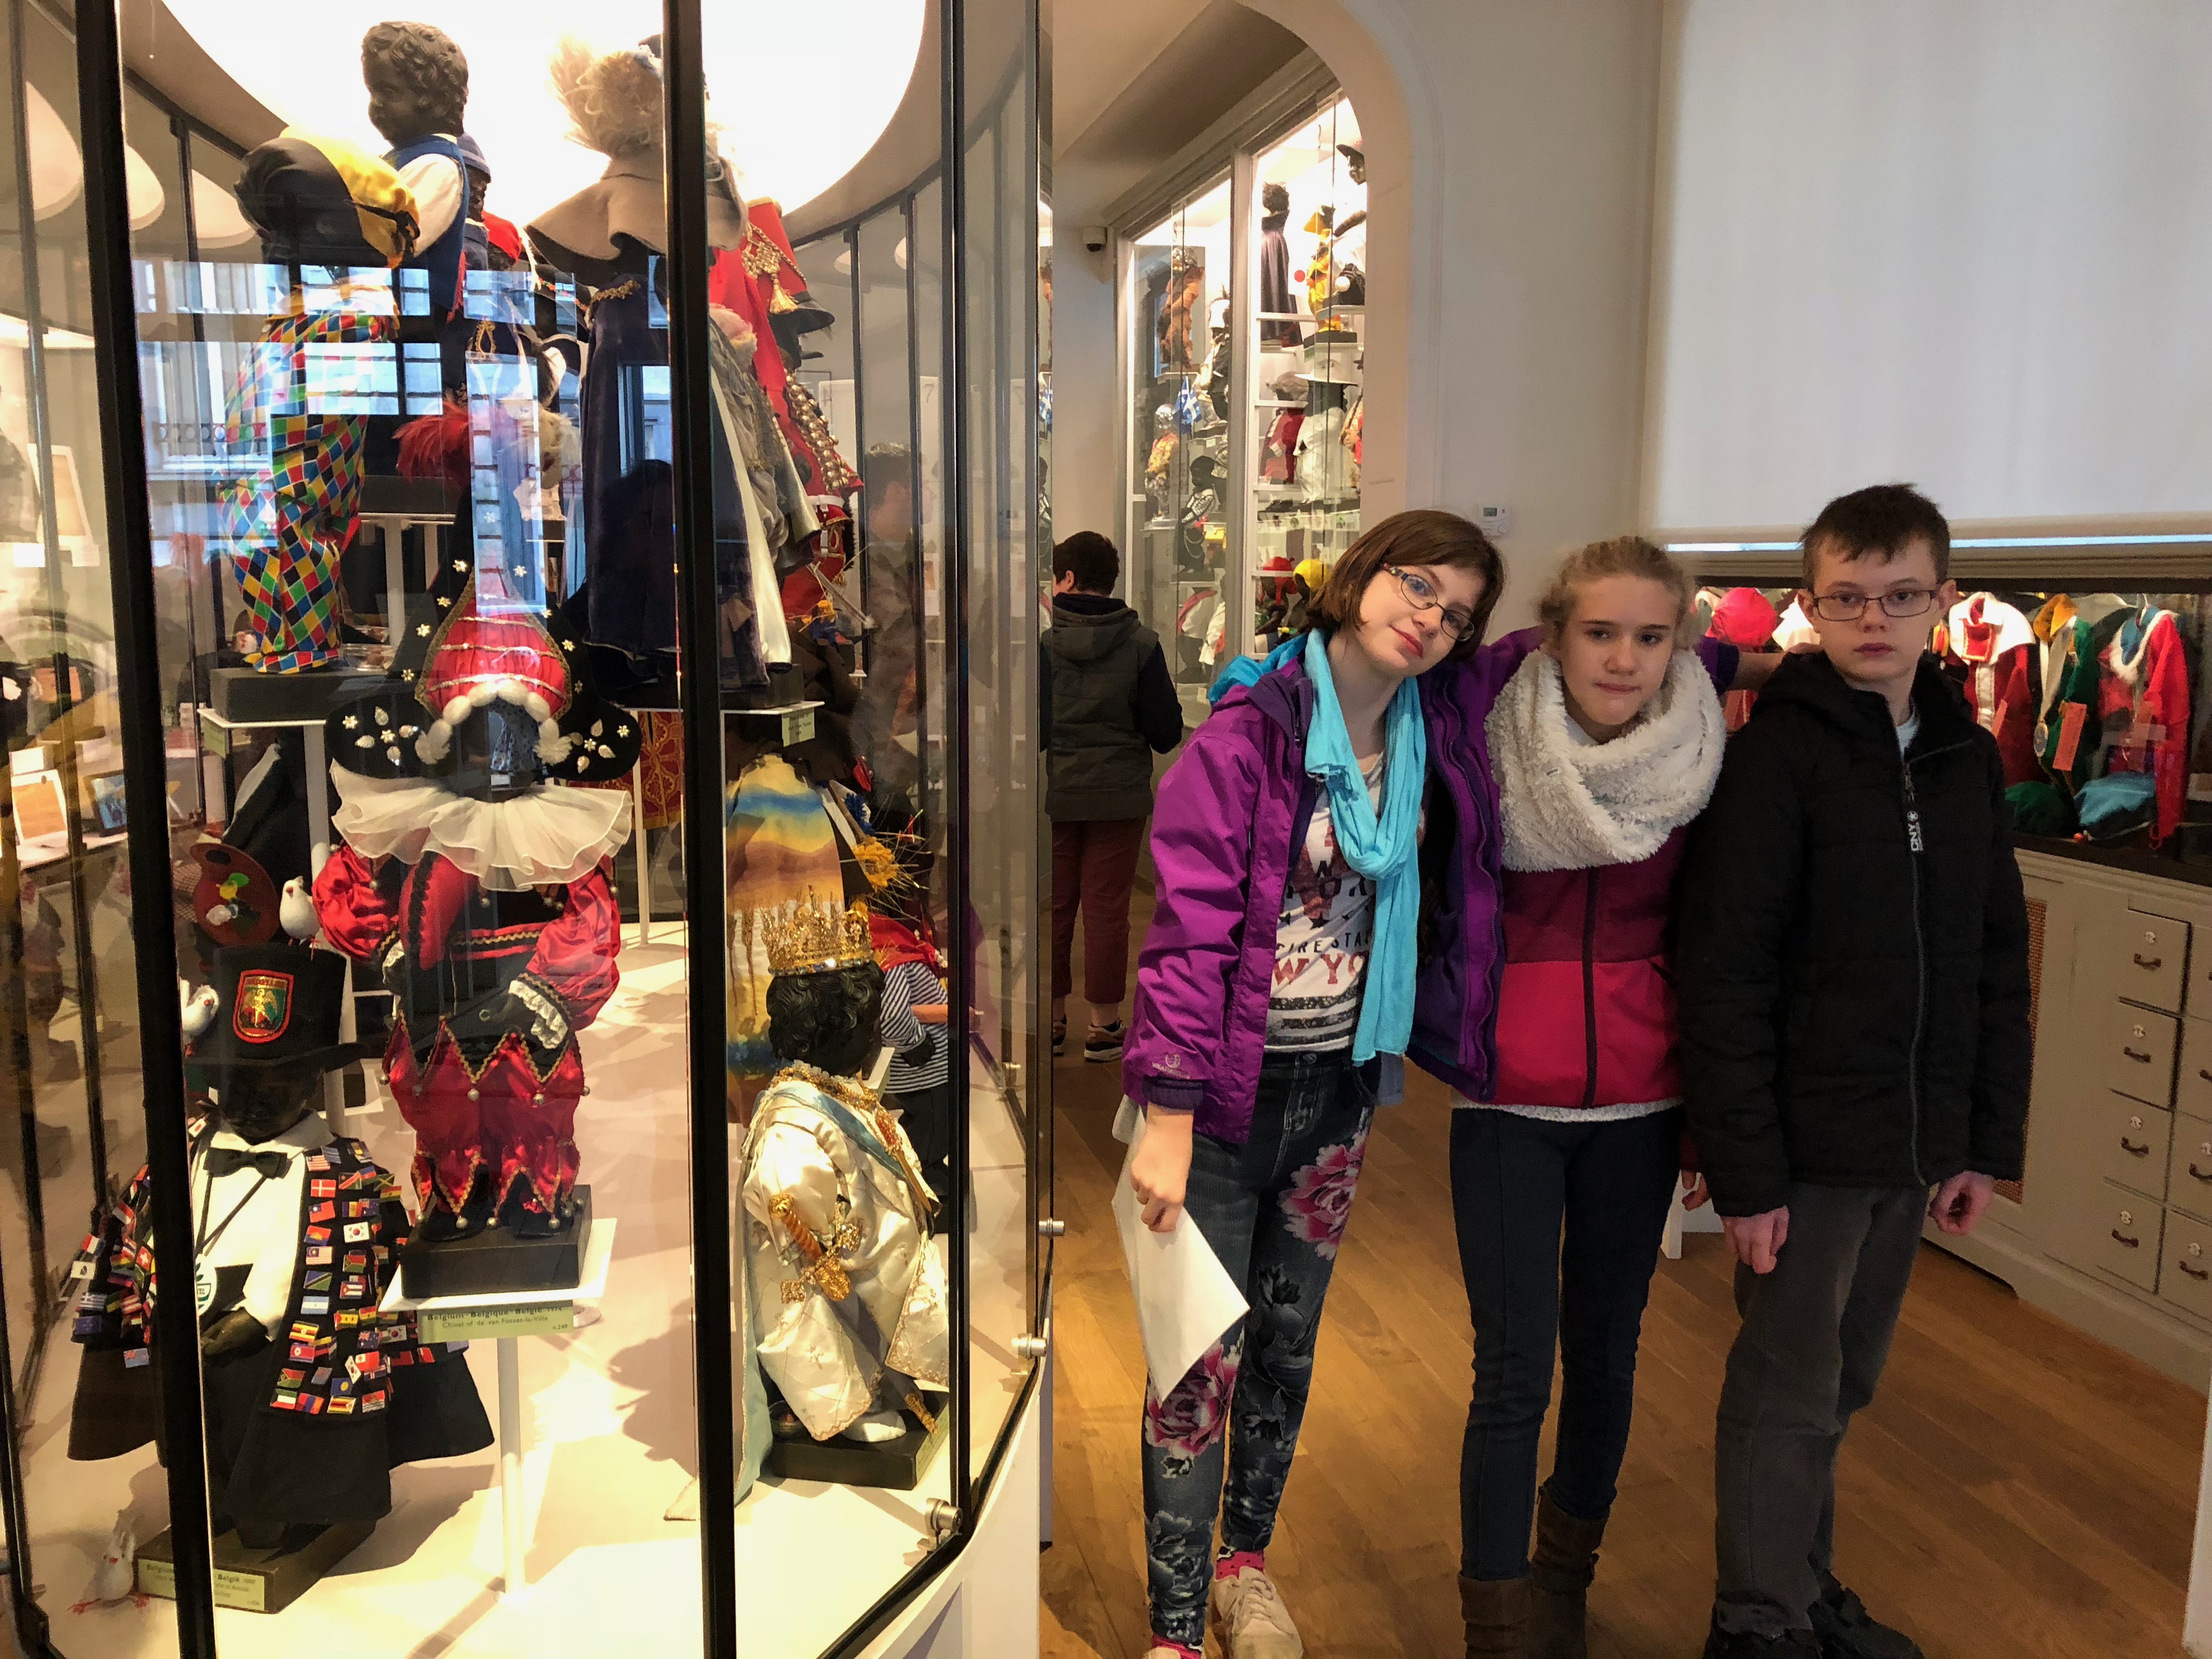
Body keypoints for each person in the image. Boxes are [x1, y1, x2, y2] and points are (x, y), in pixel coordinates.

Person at [1122, 509, 1504, 1659]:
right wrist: (1169, 1113)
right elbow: (1188, 932)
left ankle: (1245, 1567)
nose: (1429, 617)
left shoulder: (1434, 732)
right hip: (1220, 1095)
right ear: (1360, 573)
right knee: (1193, 1362)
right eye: (1416, 583)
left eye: (1456, 611)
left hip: (1339, 1084)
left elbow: (1577, 645)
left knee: (1286, 1349)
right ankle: (1177, 1626)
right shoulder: (1249, 735)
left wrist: (1742, 657)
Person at [1675, 483, 2031, 1659]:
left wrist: (1980, 1143)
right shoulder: (1774, 756)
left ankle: (1800, 1583)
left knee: (1845, 1381)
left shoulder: (1965, 758)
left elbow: (1992, 959)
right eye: (1847, 598)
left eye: (1900, 595)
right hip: (1805, 1148)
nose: (1874, 619)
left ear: (1942, 600)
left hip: (1912, 1138)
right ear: (1810, 606)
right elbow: (1726, 969)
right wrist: (1746, 1172)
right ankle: (1756, 1619)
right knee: (1786, 1387)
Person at [1447, 538, 1733, 1659]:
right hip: (1506, 1099)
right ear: (1554, 634)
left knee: (1607, 1351)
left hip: (1642, 1101)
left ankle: (1567, 1574)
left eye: (1650, 636)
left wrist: (1706, 1118)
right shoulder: (1490, 733)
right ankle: (1495, 1617)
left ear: (1680, 644)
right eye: (1599, 632)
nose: (1623, 657)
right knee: (1512, 1367)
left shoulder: (1702, 752)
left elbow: (1715, 944)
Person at [1042, 530, 1183, 1063]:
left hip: (1062, 795)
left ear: (1069, 578)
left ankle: (1053, 1019)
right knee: (1107, 910)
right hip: (1121, 800)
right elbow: (1166, 732)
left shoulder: (1046, 647)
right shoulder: (1142, 644)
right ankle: (1103, 1025)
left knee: (1057, 906)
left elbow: (1034, 729)